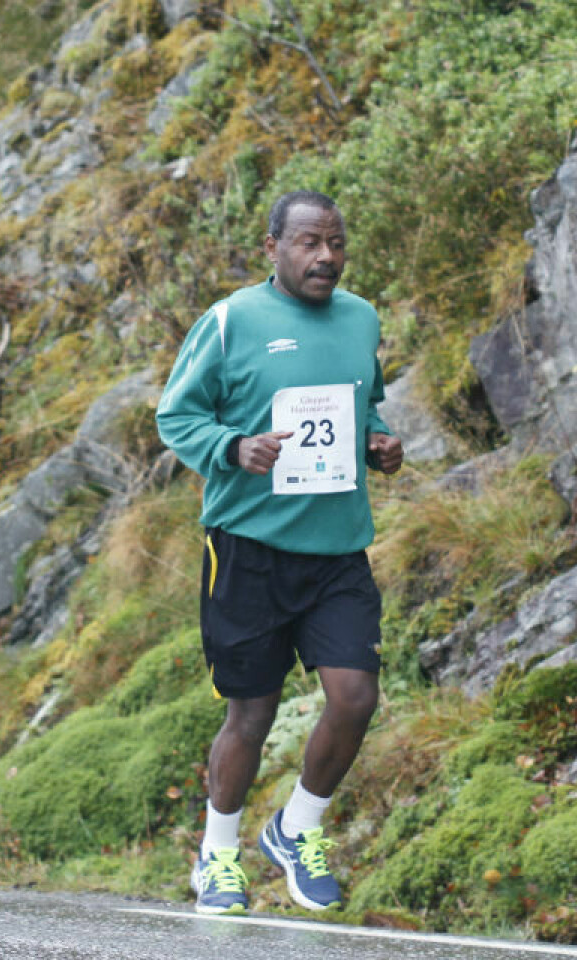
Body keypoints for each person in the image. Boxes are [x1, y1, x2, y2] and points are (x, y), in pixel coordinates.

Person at [156, 189, 404, 915]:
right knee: (251, 716)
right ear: (272, 247)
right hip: (249, 550)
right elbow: (178, 413)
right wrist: (233, 447)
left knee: (355, 697)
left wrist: (380, 442)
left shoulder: (360, 317)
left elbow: (368, 402)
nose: (324, 256)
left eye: (335, 242)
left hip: (336, 552)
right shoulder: (233, 321)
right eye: (307, 243)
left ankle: (297, 829)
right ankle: (219, 855)